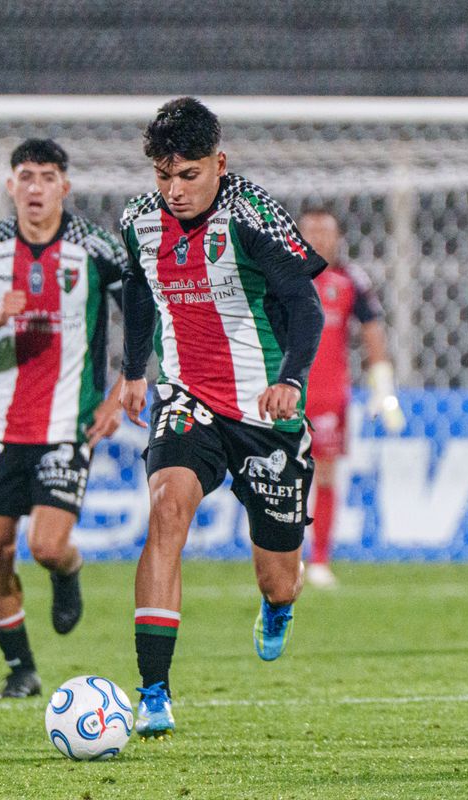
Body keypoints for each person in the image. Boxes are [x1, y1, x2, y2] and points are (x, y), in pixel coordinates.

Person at [119, 97, 326, 738]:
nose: (174, 191)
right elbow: (136, 290)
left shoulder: (252, 214)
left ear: (220, 163)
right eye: (163, 176)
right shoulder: (138, 222)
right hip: (189, 399)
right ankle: (154, 692)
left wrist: (290, 379)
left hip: (265, 410)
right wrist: (133, 371)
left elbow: (304, 303)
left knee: (280, 580)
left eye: (188, 176)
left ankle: (276, 608)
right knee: (167, 510)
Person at [0, 138, 127, 699]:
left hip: (68, 423)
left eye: (47, 177)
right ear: (10, 186)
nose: (36, 187)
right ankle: (21, 666)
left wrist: (122, 391)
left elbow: (146, 322)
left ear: (65, 187)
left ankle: (67, 571)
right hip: (0, 424)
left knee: (46, 546)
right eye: (25, 176)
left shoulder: (97, 249)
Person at [298, 208, 405, 589]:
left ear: (338, 237)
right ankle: (286, 558)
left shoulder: (350, 280)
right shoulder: (281, 274)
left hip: (328, 395)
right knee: (282, 475)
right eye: (311, 231)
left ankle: (320, 561)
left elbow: (373, 332)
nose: (319, 239)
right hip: (285, 392)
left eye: (326, 232)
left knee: (324, 475)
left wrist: (383, 389)